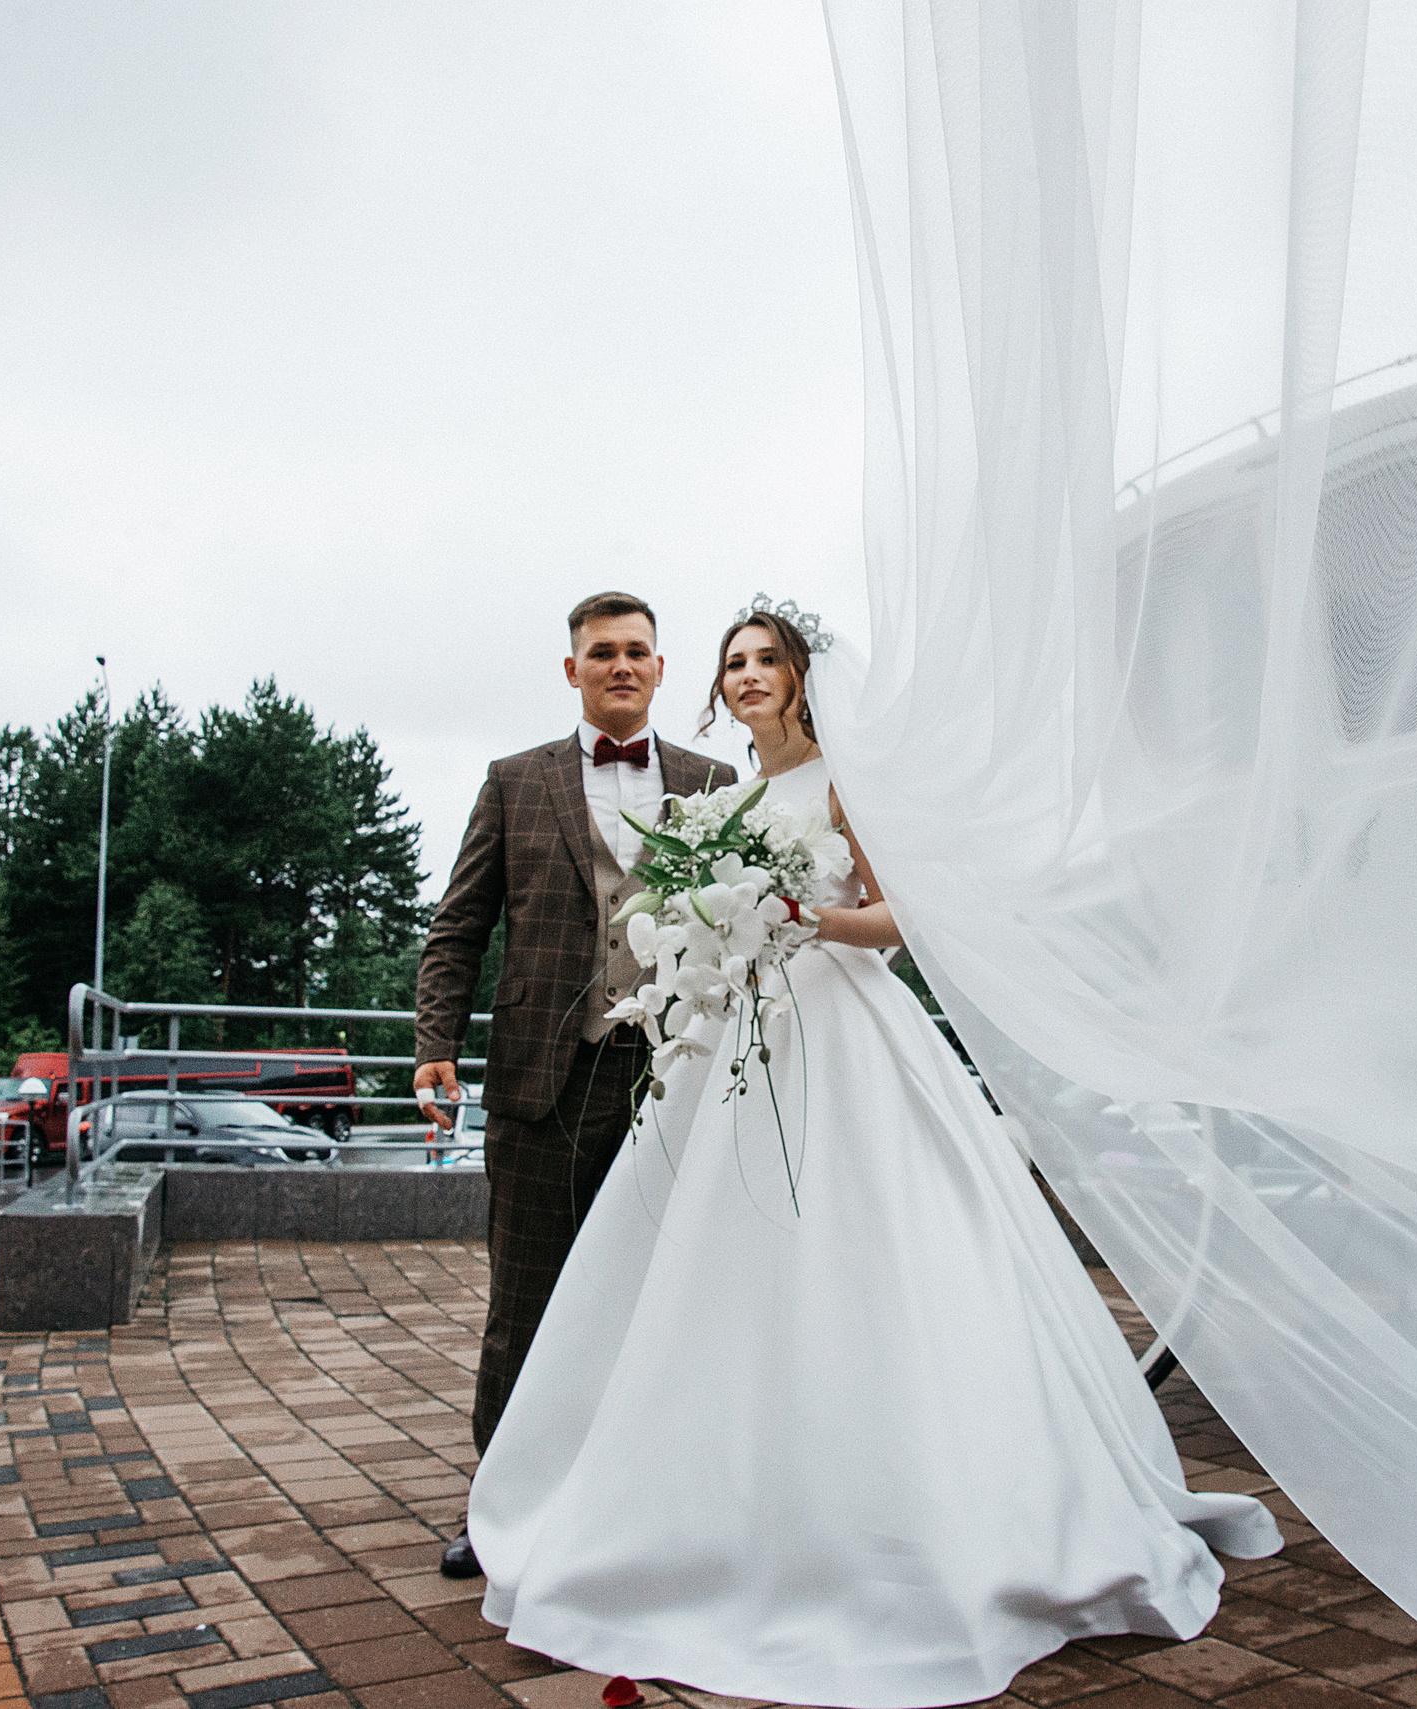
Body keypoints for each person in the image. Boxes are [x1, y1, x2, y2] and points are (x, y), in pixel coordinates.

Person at [465, 602, 1282, 1709]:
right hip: (736, 1042)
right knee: (711, 1267)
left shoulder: (842, 781)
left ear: (804, 679)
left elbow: (903, 916)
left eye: (767, 661)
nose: (749, 676)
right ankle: (699, 1487)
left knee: (873, 1250)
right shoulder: (722, 797)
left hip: (843, 1031)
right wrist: (723, 926)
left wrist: (796, 912)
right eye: (734, 662)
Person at [413, 590, 737, 1580]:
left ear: (660, 667)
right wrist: (435, 1041)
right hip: (541, 1082)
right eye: (603, 653)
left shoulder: (716, 782)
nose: (621, 666)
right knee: (526, 1300)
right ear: (573, 671)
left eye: (638, 651)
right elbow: (460, 923)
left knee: (659, 1300)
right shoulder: (515, 781)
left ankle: (641, 1503)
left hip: (672, 1080)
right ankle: (502, 1510)